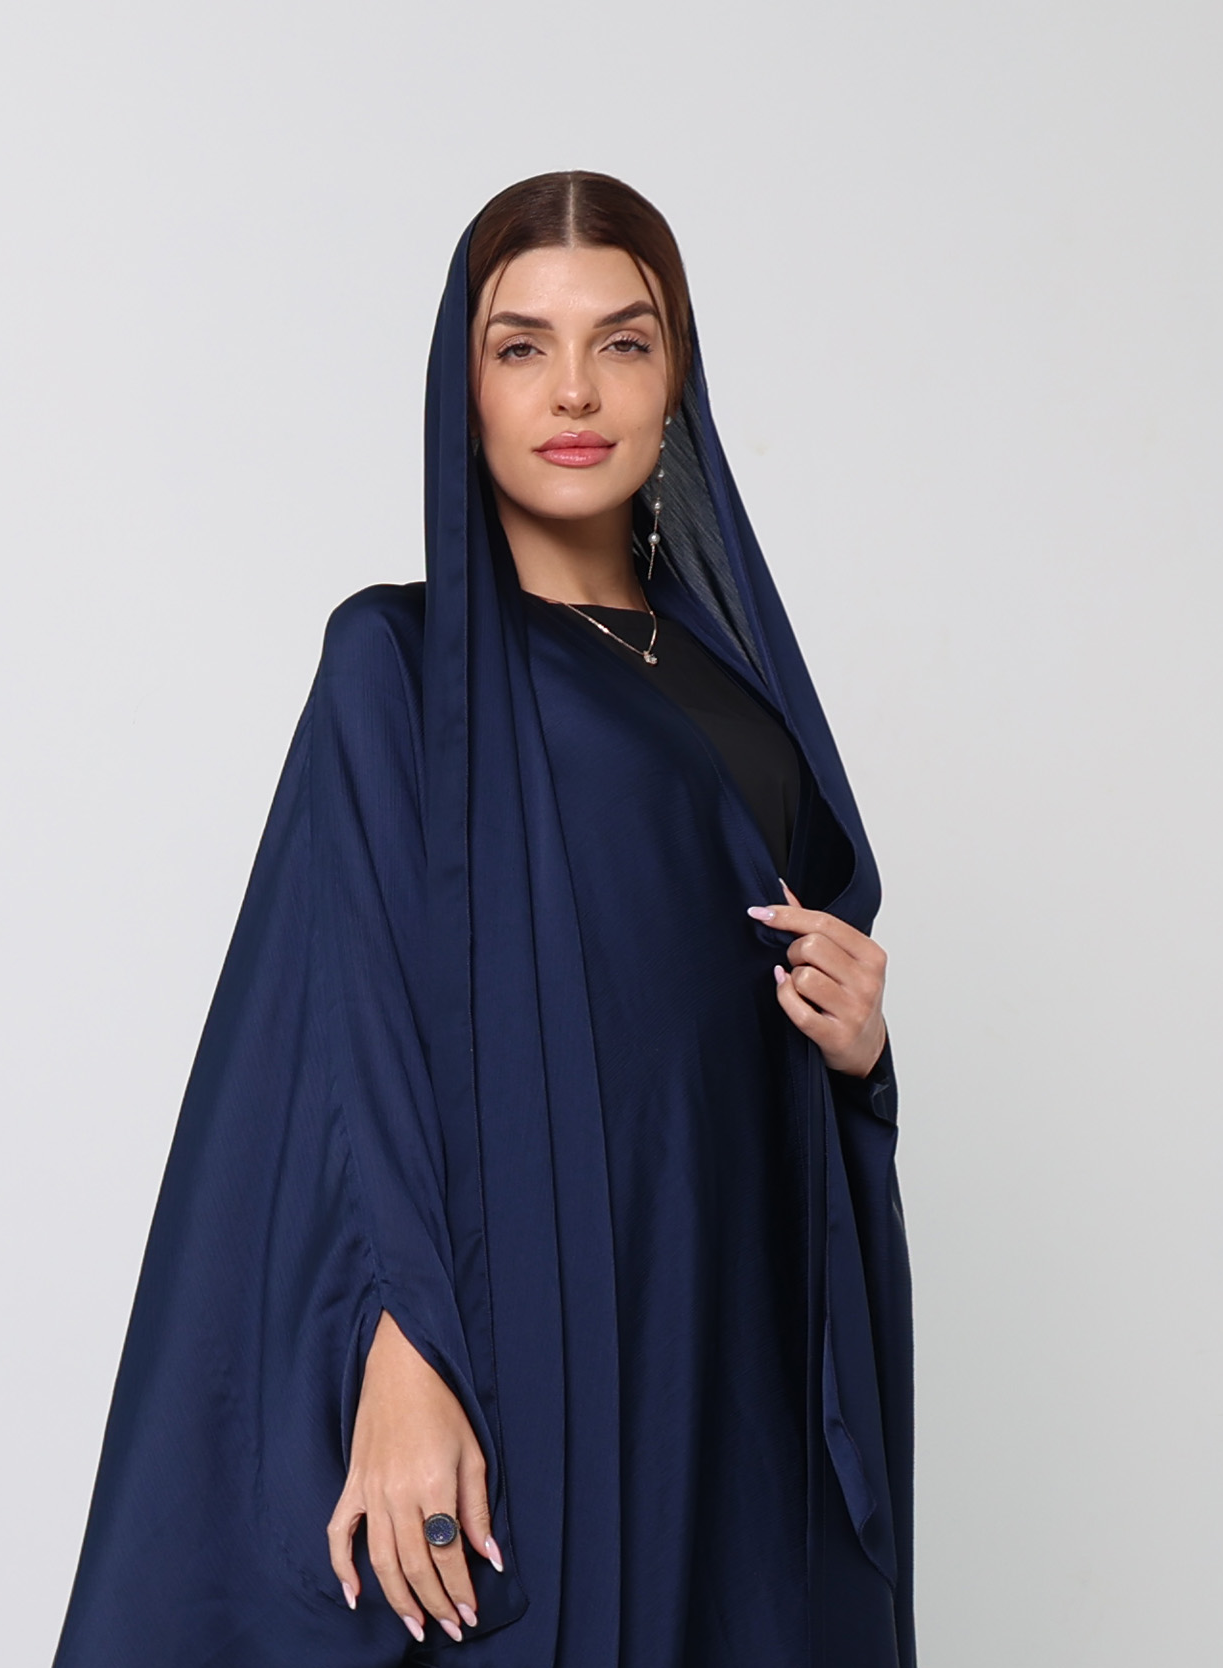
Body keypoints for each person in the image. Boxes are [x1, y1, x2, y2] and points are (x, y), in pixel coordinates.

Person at [53, 172, 914, 1666]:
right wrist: (403, 1350)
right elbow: (349, 1028)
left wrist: (859, 1053)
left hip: (736, 1301)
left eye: (622, 343)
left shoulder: (732, 676)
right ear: (463, 385)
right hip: (534, 1295)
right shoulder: (398, 663)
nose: (574, 390)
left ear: (677, 380)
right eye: (521, 346)